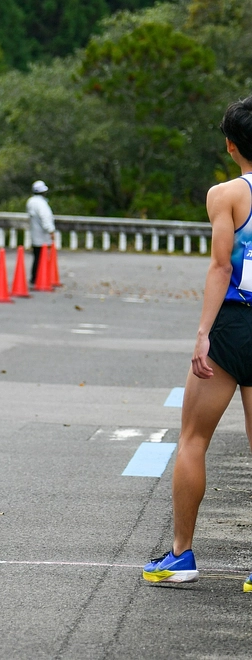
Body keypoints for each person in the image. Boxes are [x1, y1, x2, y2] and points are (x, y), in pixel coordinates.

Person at [143, 96, 252, 591]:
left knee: (192, 439)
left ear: (231, 145)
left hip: (232, 324)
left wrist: (203, 333)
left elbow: (220, 266)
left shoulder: (225, 195)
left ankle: (182, 556)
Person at [27, 180, 55, 285]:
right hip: (43, 236)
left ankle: (34, 277)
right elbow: (46, 218)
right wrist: (51, 230)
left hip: (35, 235)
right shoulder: (42, 204)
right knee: (42, 258)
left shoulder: (30, 202)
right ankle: (41, 277)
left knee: (36, 257)